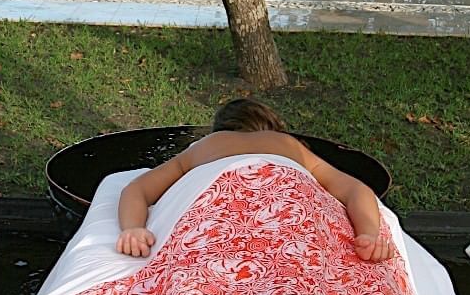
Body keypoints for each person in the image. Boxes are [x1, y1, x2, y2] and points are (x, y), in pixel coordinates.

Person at [115, 97, 393, 263]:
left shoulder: (206, 145)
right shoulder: (289, 145)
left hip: (218, 215)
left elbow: (137, 189)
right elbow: (357, 189)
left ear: (221, 129)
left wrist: (132, 228)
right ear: (274, 127)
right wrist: (368, 233)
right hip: (288, 207)